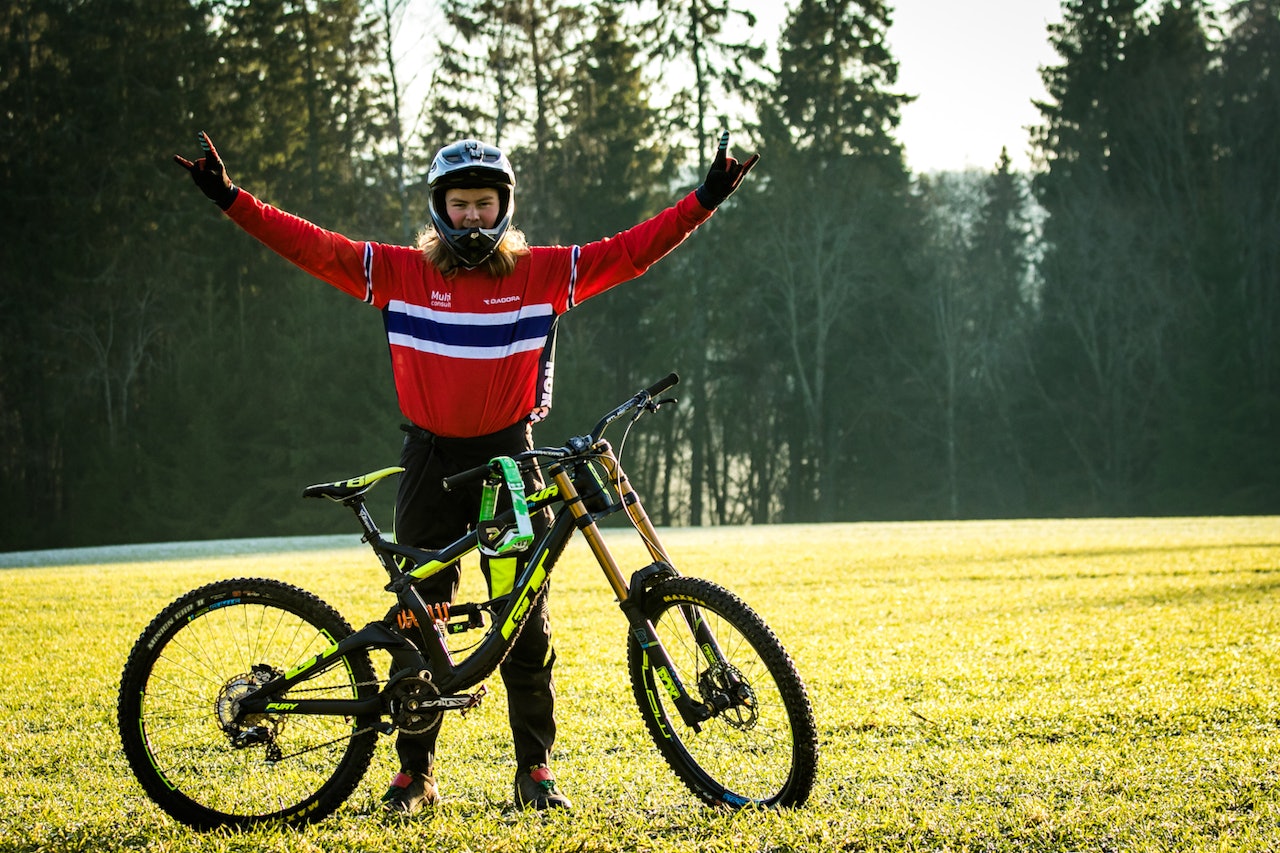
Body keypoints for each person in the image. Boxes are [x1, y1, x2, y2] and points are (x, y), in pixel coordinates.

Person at [174, 130, 757, 813]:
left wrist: (706, 198)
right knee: (419, 620)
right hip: (427, 462)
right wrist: (231, 199)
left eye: (484, 203)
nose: (473, 217)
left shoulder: (543, 272)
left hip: (511, 462)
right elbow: (312, 245)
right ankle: (414, 773)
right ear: (439, 209)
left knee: (523, 622)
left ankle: (534, 770)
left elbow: (632, 252)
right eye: (460, 205)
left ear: (505, 207)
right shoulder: (397, 271)